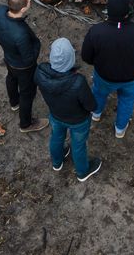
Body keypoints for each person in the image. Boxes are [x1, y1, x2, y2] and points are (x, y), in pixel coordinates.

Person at [81, 0, 134, 139]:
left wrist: (99, 63)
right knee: (127, 101)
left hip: (104, 76)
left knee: (98, 93)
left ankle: (96, 114)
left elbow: (86, 57)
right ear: (127, 12)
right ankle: (120, 129)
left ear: (108, 12)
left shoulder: (96, 32)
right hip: (131, 78)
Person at [34, 38, 102, 181]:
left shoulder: (40, 72)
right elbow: (90, 105)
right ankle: (82, 172)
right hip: (78, 121)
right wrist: (94, 108)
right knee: (78, 146)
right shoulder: (78, 82)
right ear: (71, 58)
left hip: (56, 115)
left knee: (56, 137)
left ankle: (57, 162)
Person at [0, 0, 45, 133]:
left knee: (11, 78)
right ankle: (26, 124)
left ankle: (14, 102)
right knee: (27, 94)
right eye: (29, 1)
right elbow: (29, 58)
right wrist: (37, 45)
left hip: (9, 59)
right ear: (23, 9)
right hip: (23, 67)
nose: (31, 2)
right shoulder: (20, 34)